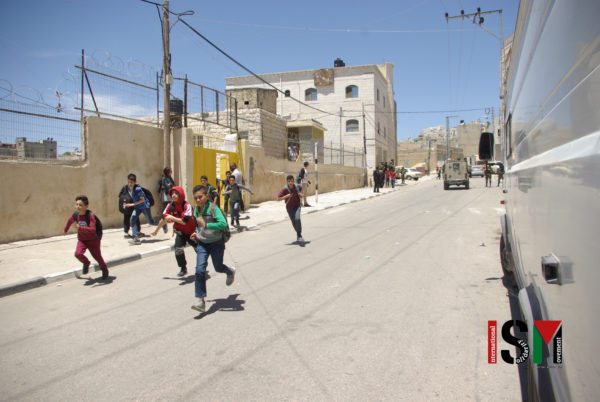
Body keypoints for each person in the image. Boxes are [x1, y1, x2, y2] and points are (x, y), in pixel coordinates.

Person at [190, 185, 236, 313]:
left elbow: (222, 224)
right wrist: (196, 233)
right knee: (199, 270)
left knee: (218, 267)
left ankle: (229, 272)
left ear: (206, 196)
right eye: (195, 198)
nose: (198, 200)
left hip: (217, 243)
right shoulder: (196, 210)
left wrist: (207, 224)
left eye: (200, 197)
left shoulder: (213, 208)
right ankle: (201, 301)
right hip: (203, 244)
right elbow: (198, 226)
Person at [152, 186, 197, 277]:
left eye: (176, 193)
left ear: (181, 195)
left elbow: (184, 221)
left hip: (192, 232)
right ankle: (183, 268)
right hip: (180, 231)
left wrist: (172, 218)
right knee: (178, 249)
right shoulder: (170, 206)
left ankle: (202, 265)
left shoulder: (187, 206)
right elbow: (163, 219)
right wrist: (156, 230)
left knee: (199, 250)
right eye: (172, 193)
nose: (173, 195)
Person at [63, 195, 109, 280]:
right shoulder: (75, 214)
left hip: (93, 240)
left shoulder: (90, 215)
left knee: (98, 257)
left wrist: (79, 227)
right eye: (77, 204)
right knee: (78, 254)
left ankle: (104, 270)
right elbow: (69, 221)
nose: (78, 207)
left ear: (86, 206)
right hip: (82, 240)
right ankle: (86, 263)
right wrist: (65, 229)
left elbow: (92, 229)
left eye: (80, 205)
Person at [124, 173, 158, 245]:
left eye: (131, 182)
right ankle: (136, 239)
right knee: (132, 220)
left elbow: (142, 200)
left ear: (135, 182)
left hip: (144, 207)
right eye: (129, 182)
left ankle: (162, 223)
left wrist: (132, 204)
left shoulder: (138, 189)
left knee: (151, 222)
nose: (130, 184)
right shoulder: (127, 187)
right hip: (137, 208)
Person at [278, 175, 304, 242]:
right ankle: (298, 234)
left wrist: (301, 194)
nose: (290, 183)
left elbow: (301, 189)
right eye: (289, 181)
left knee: (297, 219)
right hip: (289, 208)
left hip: (297, 206)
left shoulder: (297, 187)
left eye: (292, 181)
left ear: (293, 181)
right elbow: (278, 198)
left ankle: (299, 235)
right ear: (287, 182)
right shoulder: (285, 189)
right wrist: (287, 196)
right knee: (294, 222)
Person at [158, 167, 175, 234]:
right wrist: (170, 185)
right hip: (166, 196)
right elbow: (168, 186)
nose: (171, 172)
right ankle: (163, 221)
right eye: (170, 171)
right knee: (166, 208)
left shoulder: (169, 178)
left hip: (169, 195)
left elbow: (171, 185)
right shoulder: (164, 178)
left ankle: (165, 220)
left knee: (169, 208)